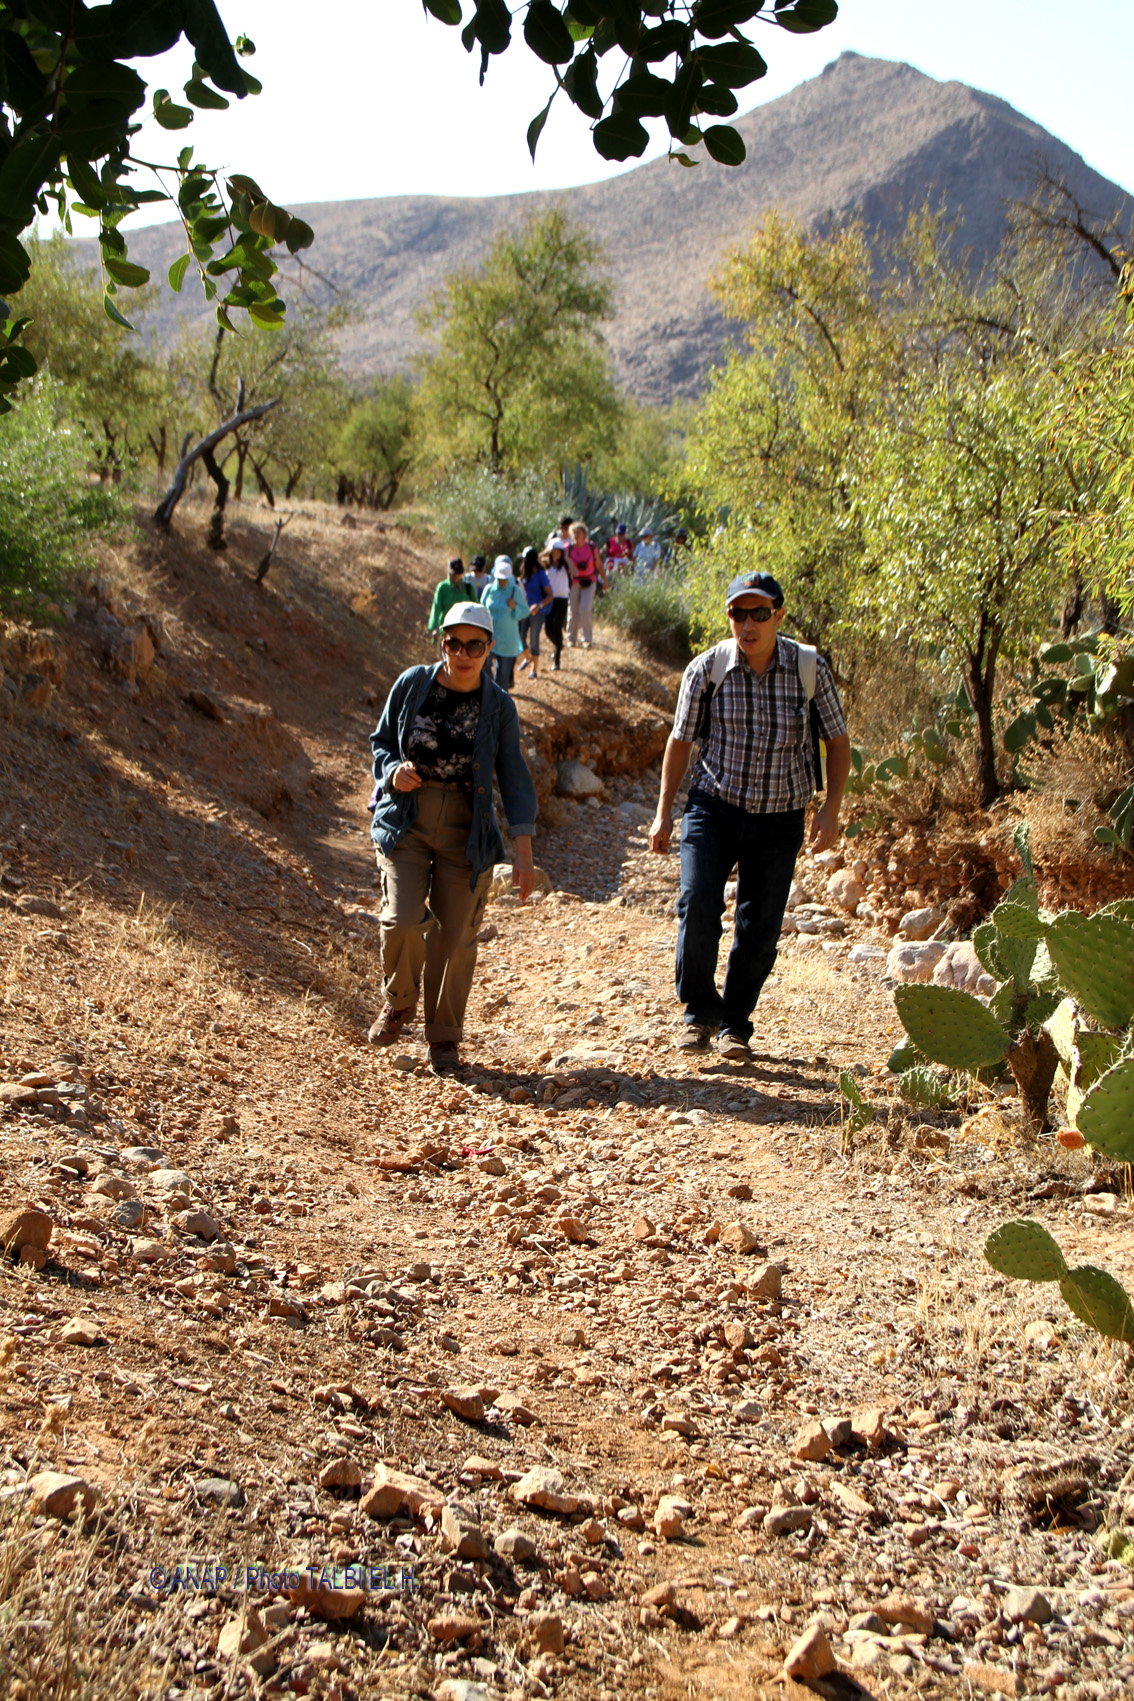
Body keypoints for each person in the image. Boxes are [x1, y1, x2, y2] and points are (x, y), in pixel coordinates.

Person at [648, 571, 851, 1060]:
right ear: (730, 618)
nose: (749, 623)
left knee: (759, 929)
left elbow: (837, 742)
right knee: (697, 906)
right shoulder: (707, 669)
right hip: (713, 808)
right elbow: (680, 742)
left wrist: (830, 810)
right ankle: (699, 1011)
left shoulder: (809, 668)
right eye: (740, 613)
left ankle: (735, 1024)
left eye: (760, 613)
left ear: (778, 616)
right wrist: (663, 814)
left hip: (780, 817)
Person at [368, 602, 537, 1076]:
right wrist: (391, 770)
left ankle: (443, 1037)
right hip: (407, 818)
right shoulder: (412, 684)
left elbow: (515, 778)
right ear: (442, 642)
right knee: (400, 919)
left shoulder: (499, 705)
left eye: (474, 645)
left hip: (468, 828)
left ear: (490, 649)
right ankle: (399, 1001)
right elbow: (381, 741)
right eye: (454, 643)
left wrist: (523, 854)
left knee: (455, 936)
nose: (462, 654)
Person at [480, 556, 523, 690]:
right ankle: (490, 695)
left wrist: (515, 607)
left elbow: (525, 611)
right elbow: (481, 608)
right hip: (490, 638)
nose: (502, 582)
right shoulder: (489, 589)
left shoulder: (515, 591)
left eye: (505, 579)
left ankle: (501, 707)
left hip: (507, 641)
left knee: (502, 678)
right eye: (500, 579)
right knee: (484, 667)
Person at [566, 522, 605, 649]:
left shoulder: (591, 547)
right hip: (575, 582)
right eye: (574, 533)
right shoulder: (569, 548)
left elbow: (598, 565)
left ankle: (587, 639)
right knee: (573, 610)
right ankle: (571, 638)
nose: (576, 535)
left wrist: (604, 580)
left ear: (584, 534)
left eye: (579, 532)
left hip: (589, 581)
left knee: (585, 609)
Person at [518, 546, 553, 681]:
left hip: (537, 612)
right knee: (521, 636)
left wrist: (539, 605)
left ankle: (534, 669)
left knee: (534, 639)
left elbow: (550, 595)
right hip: (525, 610)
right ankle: (528, 658)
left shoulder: (541, 575)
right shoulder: (525, 575)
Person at [427, 558, 474, 642]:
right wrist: (434, 627)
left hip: (464, 632)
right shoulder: (442, 587)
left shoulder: (468, 588)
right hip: (446, 631)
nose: (455, 576)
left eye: (458, 573)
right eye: (453, 574)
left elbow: (476, 608)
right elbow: (436, 608)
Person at [541, 541, 570, 672]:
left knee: (557, 626)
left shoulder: (566, 567)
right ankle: (559, 644)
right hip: (550, 599)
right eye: (554, 552)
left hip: (562, 599)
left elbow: (575, 571)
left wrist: (567, 558)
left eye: (558, 552)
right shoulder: (547, 566)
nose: (556, 554)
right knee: (548, 629)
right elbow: (537, 559)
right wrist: (546, 550)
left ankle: (557, 658)